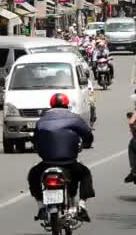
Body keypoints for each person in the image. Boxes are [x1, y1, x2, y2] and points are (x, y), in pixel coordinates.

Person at [27, 93, 95, 222]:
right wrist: (87, 143)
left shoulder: (42, 120)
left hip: (47, 163)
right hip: (69, 162)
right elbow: (88, 135)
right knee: (85, 173)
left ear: (51, 105)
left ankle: (41, 205)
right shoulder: (75, 118)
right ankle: (81, 205)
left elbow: (35, 141)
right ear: (66, 105)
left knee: (33, 174)